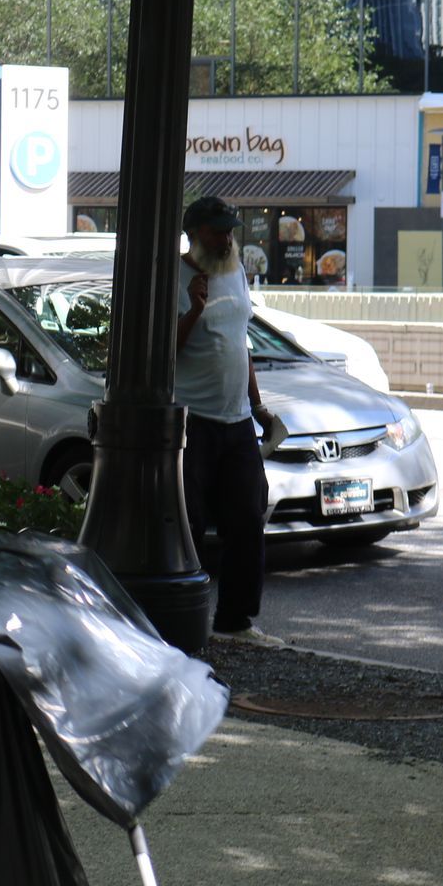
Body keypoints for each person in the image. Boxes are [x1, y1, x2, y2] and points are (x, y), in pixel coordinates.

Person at [177, 195, 281, 647]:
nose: (226, 240)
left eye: (230, 231)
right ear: (194, 235)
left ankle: (234, 620)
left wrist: (258, 406)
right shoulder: (175, 278)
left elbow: (242, 344)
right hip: (193, 420)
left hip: (237, 418)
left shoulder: (236, 271)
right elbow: (160, 352)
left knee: (247, 516)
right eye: (216, 232)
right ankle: (185, 622)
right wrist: (193, 310)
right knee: (190, 523)